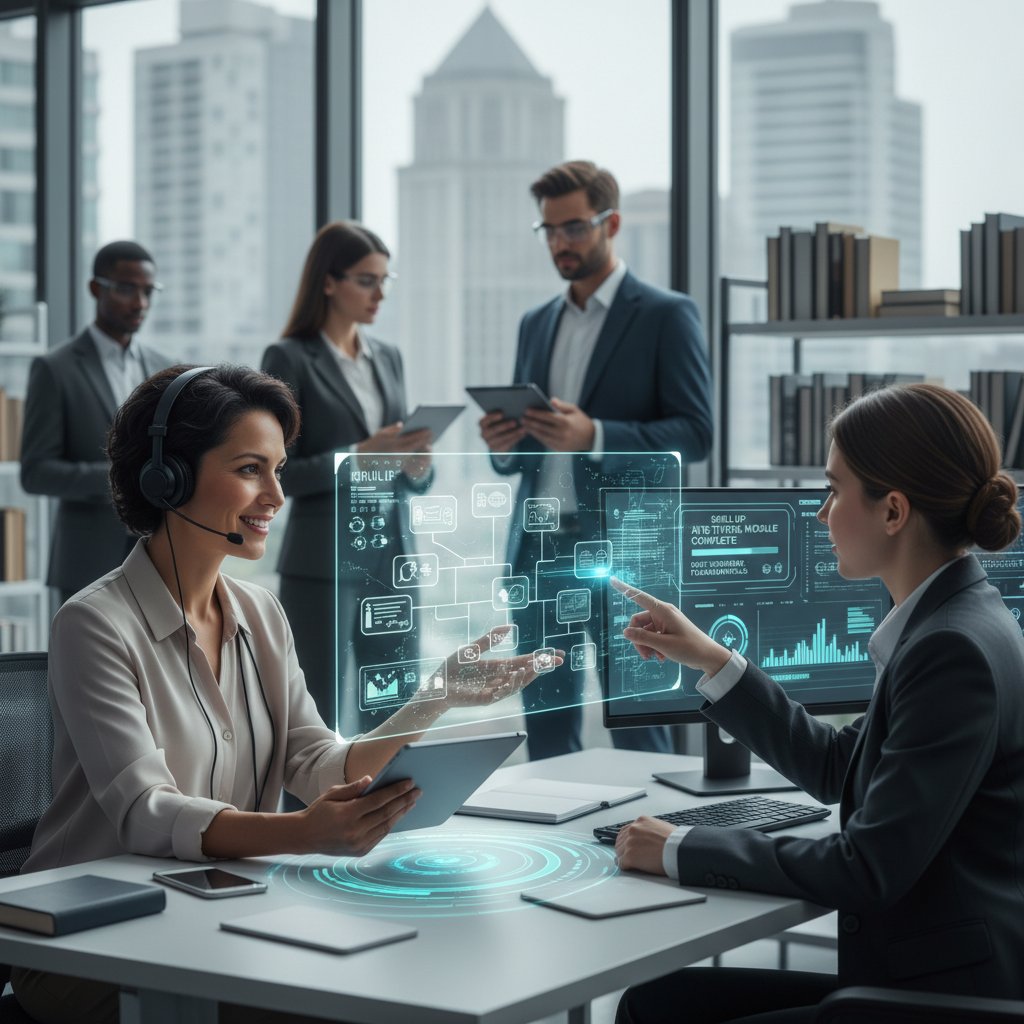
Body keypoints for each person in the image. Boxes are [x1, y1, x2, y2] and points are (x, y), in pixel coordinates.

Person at [12, 364, 553, 1024]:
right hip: (88, 939)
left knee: (412, 970)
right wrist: (302, 833)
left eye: (278, 470)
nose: (275, 494)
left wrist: (434, 698)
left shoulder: (260, 613)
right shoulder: (94, 623)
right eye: (250, 470)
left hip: (217, 910)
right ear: (168, 477)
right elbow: (147, 813)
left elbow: (320, 764)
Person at [611, 383, 1024, 1023]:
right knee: (654, 1004)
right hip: (920, 973)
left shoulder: (950, 651)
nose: (820, 513)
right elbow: (839, 765)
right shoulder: (956, 619)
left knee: (655, 1012)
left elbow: (867, 869)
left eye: (833, 490)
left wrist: (681, 847)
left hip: (938, 1000)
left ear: (893, 512)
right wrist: (712, 659)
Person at [479, 160, 713, 760]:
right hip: (538, 553)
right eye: (550, 230)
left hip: (624, 558)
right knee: (547, 730)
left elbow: (696, 434)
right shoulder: (536, 323)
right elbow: (527, 454)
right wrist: (504, 445)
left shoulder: (665, 315)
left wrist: (597, 435)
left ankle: (657, 823)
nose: (560, 243)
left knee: (640, 726)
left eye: (574, 228)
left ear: (612, 224)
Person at [262, 222, 431, 736]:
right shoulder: (289, 358)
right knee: (317, 714)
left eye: (385, 281)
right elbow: (277, 472)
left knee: (395, 708)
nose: (380, 294)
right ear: (329, 282)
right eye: (366, 280)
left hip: (392, 559)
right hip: (323, 563)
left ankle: (393, 795)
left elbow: (405, 468)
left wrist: (417, 465)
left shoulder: (389, 357)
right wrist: (357, 457)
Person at [20, 240, 174, 606]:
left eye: (148, 291)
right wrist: (121, 476)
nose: (140, 303)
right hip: (86, 561)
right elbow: (36, 472)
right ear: (95, 288)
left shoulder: (166, 368)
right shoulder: (54, 369)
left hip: (161, 557)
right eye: (127, 289)